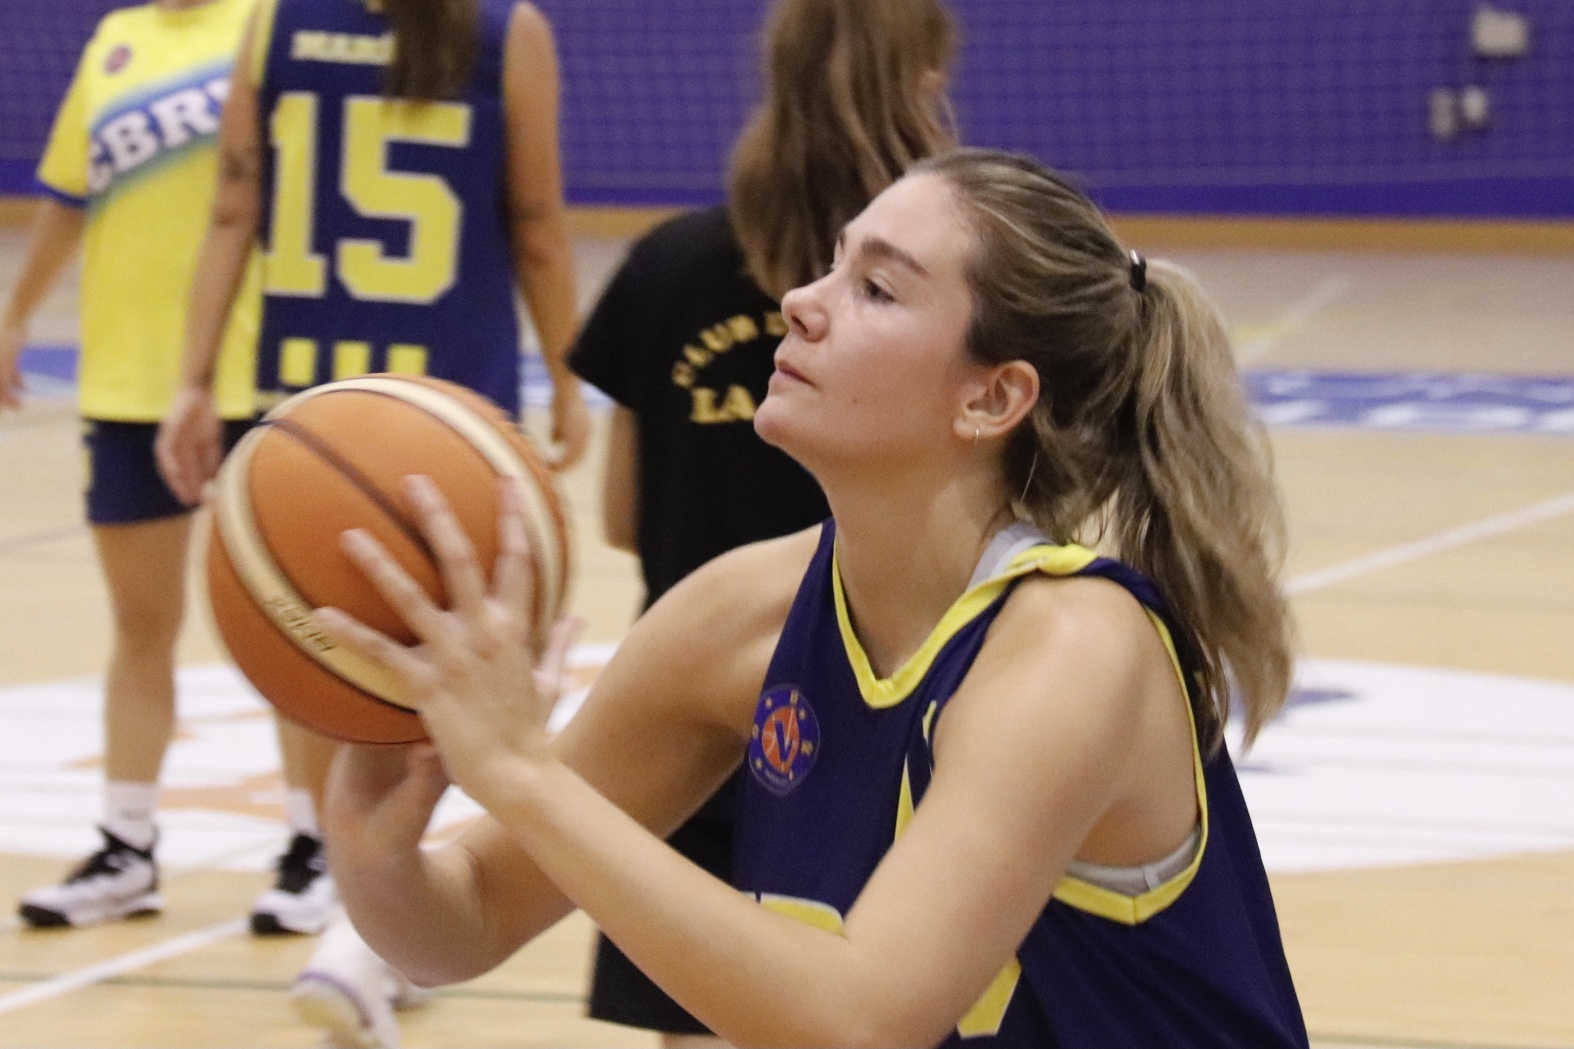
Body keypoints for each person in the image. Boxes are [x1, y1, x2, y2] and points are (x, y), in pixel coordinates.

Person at [313, 147, 1309, 1048]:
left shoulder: (1071, 647)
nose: (800, 300)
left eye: (875, 287)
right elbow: (468, 920)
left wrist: (521, 773)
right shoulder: (742, 613)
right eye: (831, 264)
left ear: (991, 396)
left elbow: (861, 1019)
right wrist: (373, 850)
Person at [151, 0, 588, 1024]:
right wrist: (567, 374)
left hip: (312, 406)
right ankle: (383, 915)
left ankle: (324, 857)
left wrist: (192, 378)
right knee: (443, 667)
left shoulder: (274, 22)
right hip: (449, 418)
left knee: (318, 640)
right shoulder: (504, 30)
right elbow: (534, 224)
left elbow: (232, 207)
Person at [568, 0, 955, 1041]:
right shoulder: (958, 300)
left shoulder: (667, 265)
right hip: (892, 727)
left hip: (689, 718)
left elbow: (621, 516)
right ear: (927, 86)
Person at [0, 0, 312, 933]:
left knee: (291, 626)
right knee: (141, 625)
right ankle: (126, 845)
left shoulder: (276, 25)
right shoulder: (116, 40)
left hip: (256, 370)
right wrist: (15, 316)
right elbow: (70, 196)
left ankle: (313, 846)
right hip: (128, 377)